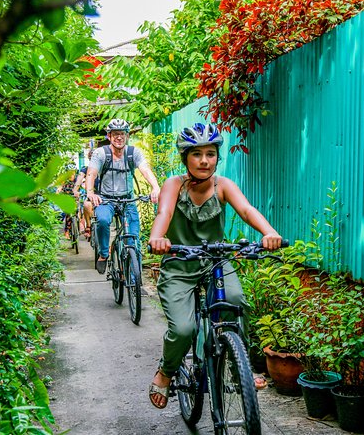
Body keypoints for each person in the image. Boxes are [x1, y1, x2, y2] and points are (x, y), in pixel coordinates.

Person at [147, 122, 282, 409]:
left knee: (235, 301)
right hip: (179, 266)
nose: (204, 160)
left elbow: (247, 210)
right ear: (185, 158)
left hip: (216, 263)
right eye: (197, 154)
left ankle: (237, 364)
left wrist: (268, 233)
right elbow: (165, 211)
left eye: (210, 153)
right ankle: (166, 371)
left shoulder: (224, 186)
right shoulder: (174, 185)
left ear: (217, 157)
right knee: (183, 329)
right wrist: (157, 237)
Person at [85, 119, 161, 274]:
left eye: (122, 134)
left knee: (134, 238)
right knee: (103, 220)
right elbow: (91, 173)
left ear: (127, 136)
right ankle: (104, 253)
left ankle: (134, 281)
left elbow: (145, 170)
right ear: (109, 136)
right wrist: (90, 192)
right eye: (115, 134)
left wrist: (156, 187)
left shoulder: (134, 153)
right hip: (106, 199)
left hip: (128, 199)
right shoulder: (101, 153)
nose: (119, 137)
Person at [72, 148, 98, 238]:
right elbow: (80, 178)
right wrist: (75, 189)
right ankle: (89, 226)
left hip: (103, 195)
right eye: (91, 157)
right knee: (87, 205)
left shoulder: (104, 168)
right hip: (91, 194)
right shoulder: (85, 169)